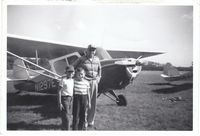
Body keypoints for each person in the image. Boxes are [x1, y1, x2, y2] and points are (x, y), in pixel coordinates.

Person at [73, 44, 101, 127]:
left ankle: (90, 121)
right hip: (86, 83)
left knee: (93, 102)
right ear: (87, 50)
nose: (92, 51)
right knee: (86, 103)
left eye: (94, 50)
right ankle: (84, 121)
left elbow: (100, 69)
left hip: (95, 82)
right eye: (91, 50)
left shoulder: (97, 59)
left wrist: (99, 77)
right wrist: (74, 76)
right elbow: (73, 66)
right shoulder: (82, 59)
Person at [58, 65, 75, 130]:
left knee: (68, 115)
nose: (70, 73)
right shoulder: (63, 80)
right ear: (66, 72)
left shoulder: (72, 80)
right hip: (64, 99)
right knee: (67, 116)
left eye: (72, 72)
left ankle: (64, 128)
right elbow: (59, 91)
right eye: (69, 72)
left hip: (71, 98)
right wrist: (59, 103)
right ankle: (67, 130)